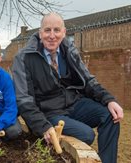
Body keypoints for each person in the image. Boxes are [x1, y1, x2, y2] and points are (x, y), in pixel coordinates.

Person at [12, 12, 123, 163]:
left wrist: (109, 99)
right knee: (86, 135)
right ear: (40, 33)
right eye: (47, 30)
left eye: (57, 30)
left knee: (110, 116)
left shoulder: (68, 50)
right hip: (49, 112)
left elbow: (88, 80)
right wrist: (42, 126)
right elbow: (24, 100)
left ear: (64, 33)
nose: (52, 35)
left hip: (74, 103)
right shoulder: (24, 57)